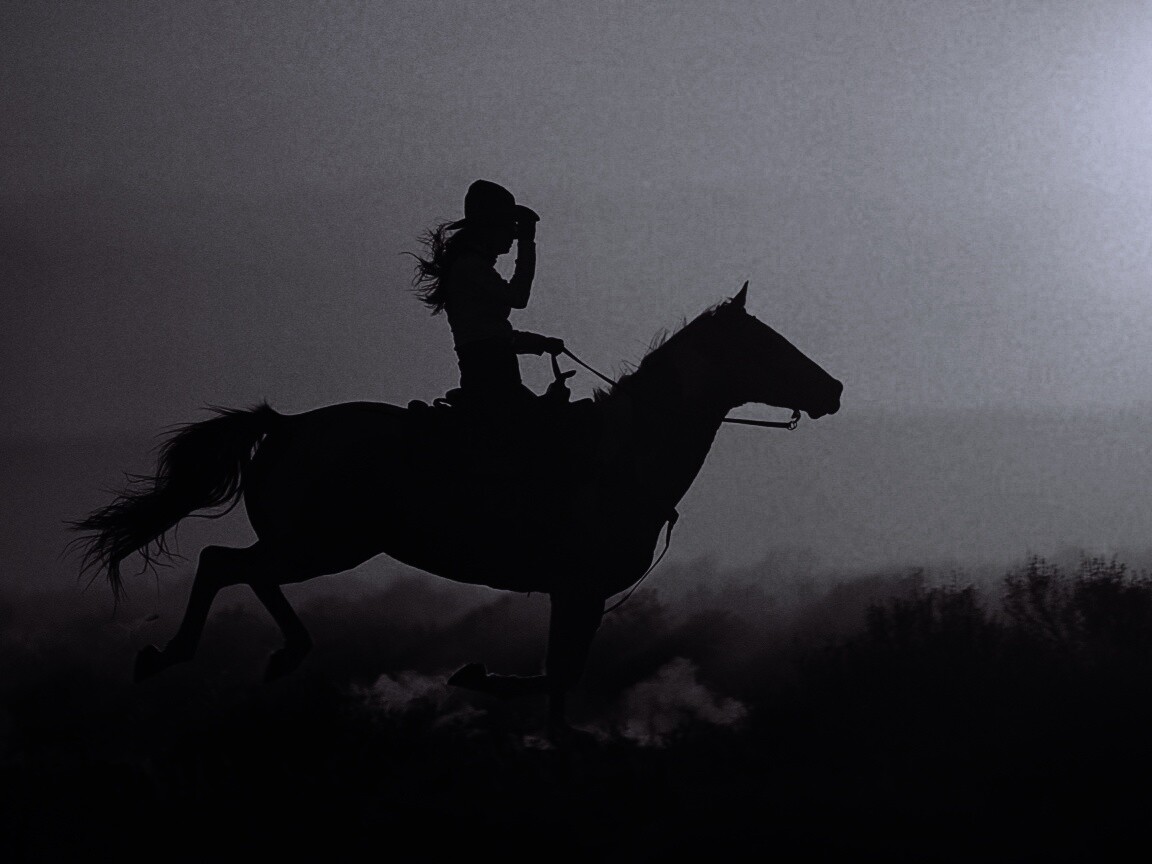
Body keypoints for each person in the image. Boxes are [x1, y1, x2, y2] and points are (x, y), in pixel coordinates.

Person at [411, 180, 565, 411]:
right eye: (509, 225)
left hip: (492, 376)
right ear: (490, 228)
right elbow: (518, 298)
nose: (514, 234)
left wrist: (541, 343)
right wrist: (527, 244)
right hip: (492, 382)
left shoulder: (471, 266)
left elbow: (495, 336)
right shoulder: (470, 267)